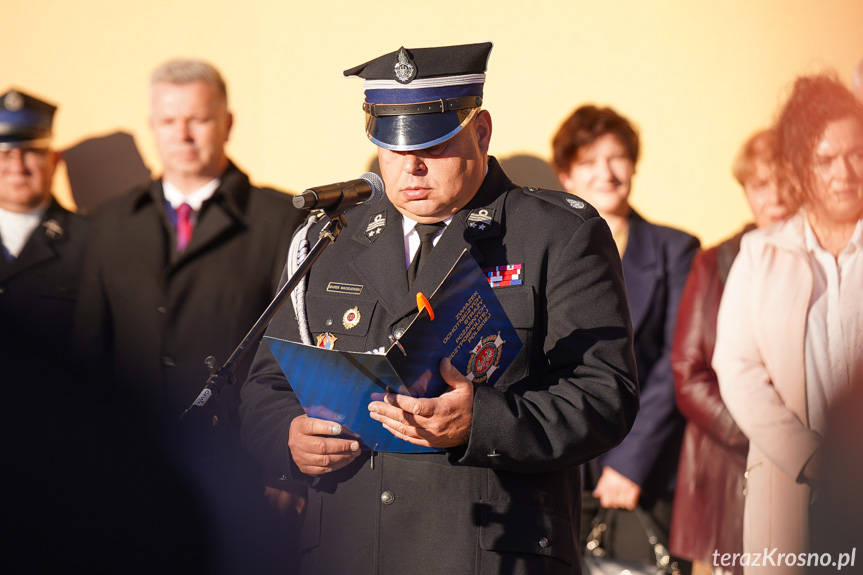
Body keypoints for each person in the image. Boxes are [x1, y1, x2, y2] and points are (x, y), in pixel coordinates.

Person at [239, 42, 639, 575]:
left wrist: (484, 422)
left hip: (485, 551)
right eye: (393, 147)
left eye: (433, 145)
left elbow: (604, 393)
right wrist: (289, 438)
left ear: (481, 132)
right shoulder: (331, 238)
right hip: (350, 551)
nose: (412, 167)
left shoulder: (555, 234)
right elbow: (265, 386)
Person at [74, 59, 305, 574]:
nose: (183, 134)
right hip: (129, 466)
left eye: (198, 119)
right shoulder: (109, 223)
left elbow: (292, 350)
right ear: (152, 126)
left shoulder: (279, 218)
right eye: (169, 120)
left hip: (237, 467)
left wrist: (284, 472)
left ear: (226, 123)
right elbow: (89, 349)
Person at [714, 73, 863, 574]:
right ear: (801, 168)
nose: (845, 172)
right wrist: (807, 454)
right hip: (792, 484)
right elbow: (736, 368)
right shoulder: (761, 254)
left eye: (857, 153)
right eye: (825, 160)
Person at [552, 105, 699, 563]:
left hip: (644, 471)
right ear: (566, 176)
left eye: (617, 158)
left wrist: (630, 463)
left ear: (633, 165)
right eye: (589, 162)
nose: (606, 173)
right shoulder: (545, 251)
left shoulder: (676, 250)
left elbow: (679, 364)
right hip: (562, 466)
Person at [669, 128, 792, 575]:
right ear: (745, 192)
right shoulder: (716, 262)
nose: (775, 196)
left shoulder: (826, 258)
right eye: (761, 185)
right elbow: (689, 373)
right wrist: (765, 438)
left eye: (785, 179)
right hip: (727, 468)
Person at [0, 88, 88, 353]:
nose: (17, 167)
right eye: (4, 154)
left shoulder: (93, 242)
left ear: (55, 161)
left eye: (30, 152)